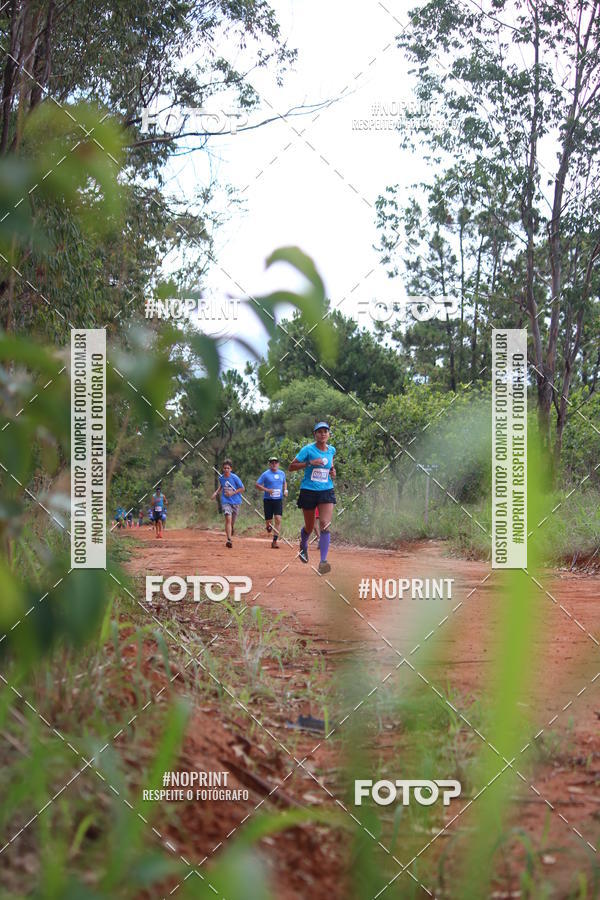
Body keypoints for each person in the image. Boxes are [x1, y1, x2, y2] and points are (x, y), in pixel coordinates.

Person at [289, 421, 336, 574]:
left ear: (328, 434)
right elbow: (291, 467)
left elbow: (331, 464)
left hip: (326, 490)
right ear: (315, 434)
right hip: (308, 491)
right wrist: (309, 463)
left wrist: (333, 471)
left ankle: (323, 562)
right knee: (309, 527)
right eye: (319, 432)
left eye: (325, 431)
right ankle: (303, 545)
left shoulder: (332, 450)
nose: (323, 434)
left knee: (324, 524)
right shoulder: (307, 450)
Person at [256, 456, 288, 548]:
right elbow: (257, 485)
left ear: (278, 464)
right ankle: (268, 526)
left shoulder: (282, 473)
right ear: (269, 464)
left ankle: (274, 541)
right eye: (272, 463)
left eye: (275, 462)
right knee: (269, 522)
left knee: (278, 519)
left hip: (278, 500)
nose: (274, 464)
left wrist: (285, 490)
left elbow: (284, 482)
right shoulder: (265, 474)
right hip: (268, 500)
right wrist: (267, 490)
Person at [211, 459, 244, 548]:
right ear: (223, 469)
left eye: (228, 468)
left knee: (232, 522)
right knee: (228, 519)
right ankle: (229, 540)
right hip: (226, 501)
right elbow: (222, 486)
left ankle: (231, 528)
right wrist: (216, 493)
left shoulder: (235, 478)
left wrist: (232, 493)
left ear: (231, 469)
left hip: (236, 501)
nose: (226, 470)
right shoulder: (221, 478)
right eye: (225, 468)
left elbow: (242, 488)